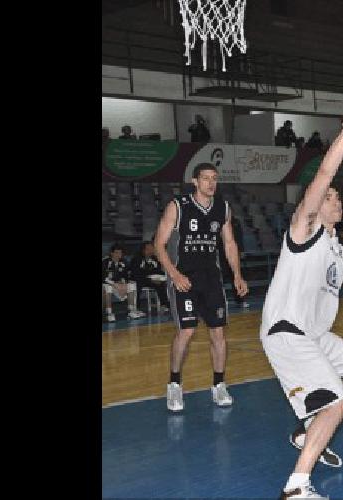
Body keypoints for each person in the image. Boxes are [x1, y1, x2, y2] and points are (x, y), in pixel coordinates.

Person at [262, 81, 343, 499]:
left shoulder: (341, 247)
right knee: (337, 404)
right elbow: (327, 171)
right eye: (327, 195)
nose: (334, 199)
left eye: (335, 197)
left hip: (313, 335)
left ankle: (309, 430)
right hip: (287, 330)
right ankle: (297, 485)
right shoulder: (304, 228)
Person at [153, 163, 250, 411]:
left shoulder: (222, 208)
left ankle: (219, 385)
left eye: (214, 178)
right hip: (184, 277)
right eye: (206, 178)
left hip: (212, 279)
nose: (211, 183)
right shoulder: (178, 206)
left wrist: (237, 275)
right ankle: (174, 384)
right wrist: (174, 275)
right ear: (195, 181)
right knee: (186, 331)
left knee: (218, 332)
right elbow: (158, 245)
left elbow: (229, 243)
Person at [102, 243, 145, 322]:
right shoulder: (105, 262)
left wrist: (124, 283)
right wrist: (115, 284)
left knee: (132, 285)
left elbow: (127, 275)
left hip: (120, 285)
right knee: (107, 287)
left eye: (120, 253)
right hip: (109, 284)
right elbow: (103, 278)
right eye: (117, 253)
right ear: (112, 253)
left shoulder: (124, 262)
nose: (119, 255)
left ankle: (131, 310)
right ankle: (109, 313)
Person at [130, 241, 168, 314]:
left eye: (152, 249)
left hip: (152, 279)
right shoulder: (136, 259)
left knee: (161, 283)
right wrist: (150, 279)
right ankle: (136, 308)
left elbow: (158, 271)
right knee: (137, 284)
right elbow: (136, 274)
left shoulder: (154, 259)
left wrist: (164, 276)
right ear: (143, 250)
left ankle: (164, 305)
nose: (151, 251)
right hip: (139, 279)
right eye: (149, 249)